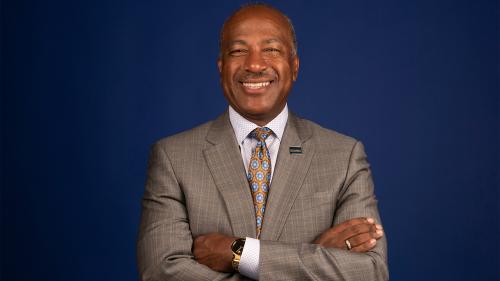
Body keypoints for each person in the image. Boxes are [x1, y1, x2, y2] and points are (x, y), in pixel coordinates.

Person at [137, 3, 388, 281]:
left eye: (271, 49)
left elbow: (370, 272)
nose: (255, 64)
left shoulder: (344, 156)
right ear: (221, 67)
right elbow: (160, 272)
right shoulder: (173, 157)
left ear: (294, 66)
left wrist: (240, 253)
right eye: (238, 51)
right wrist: (316, 255)